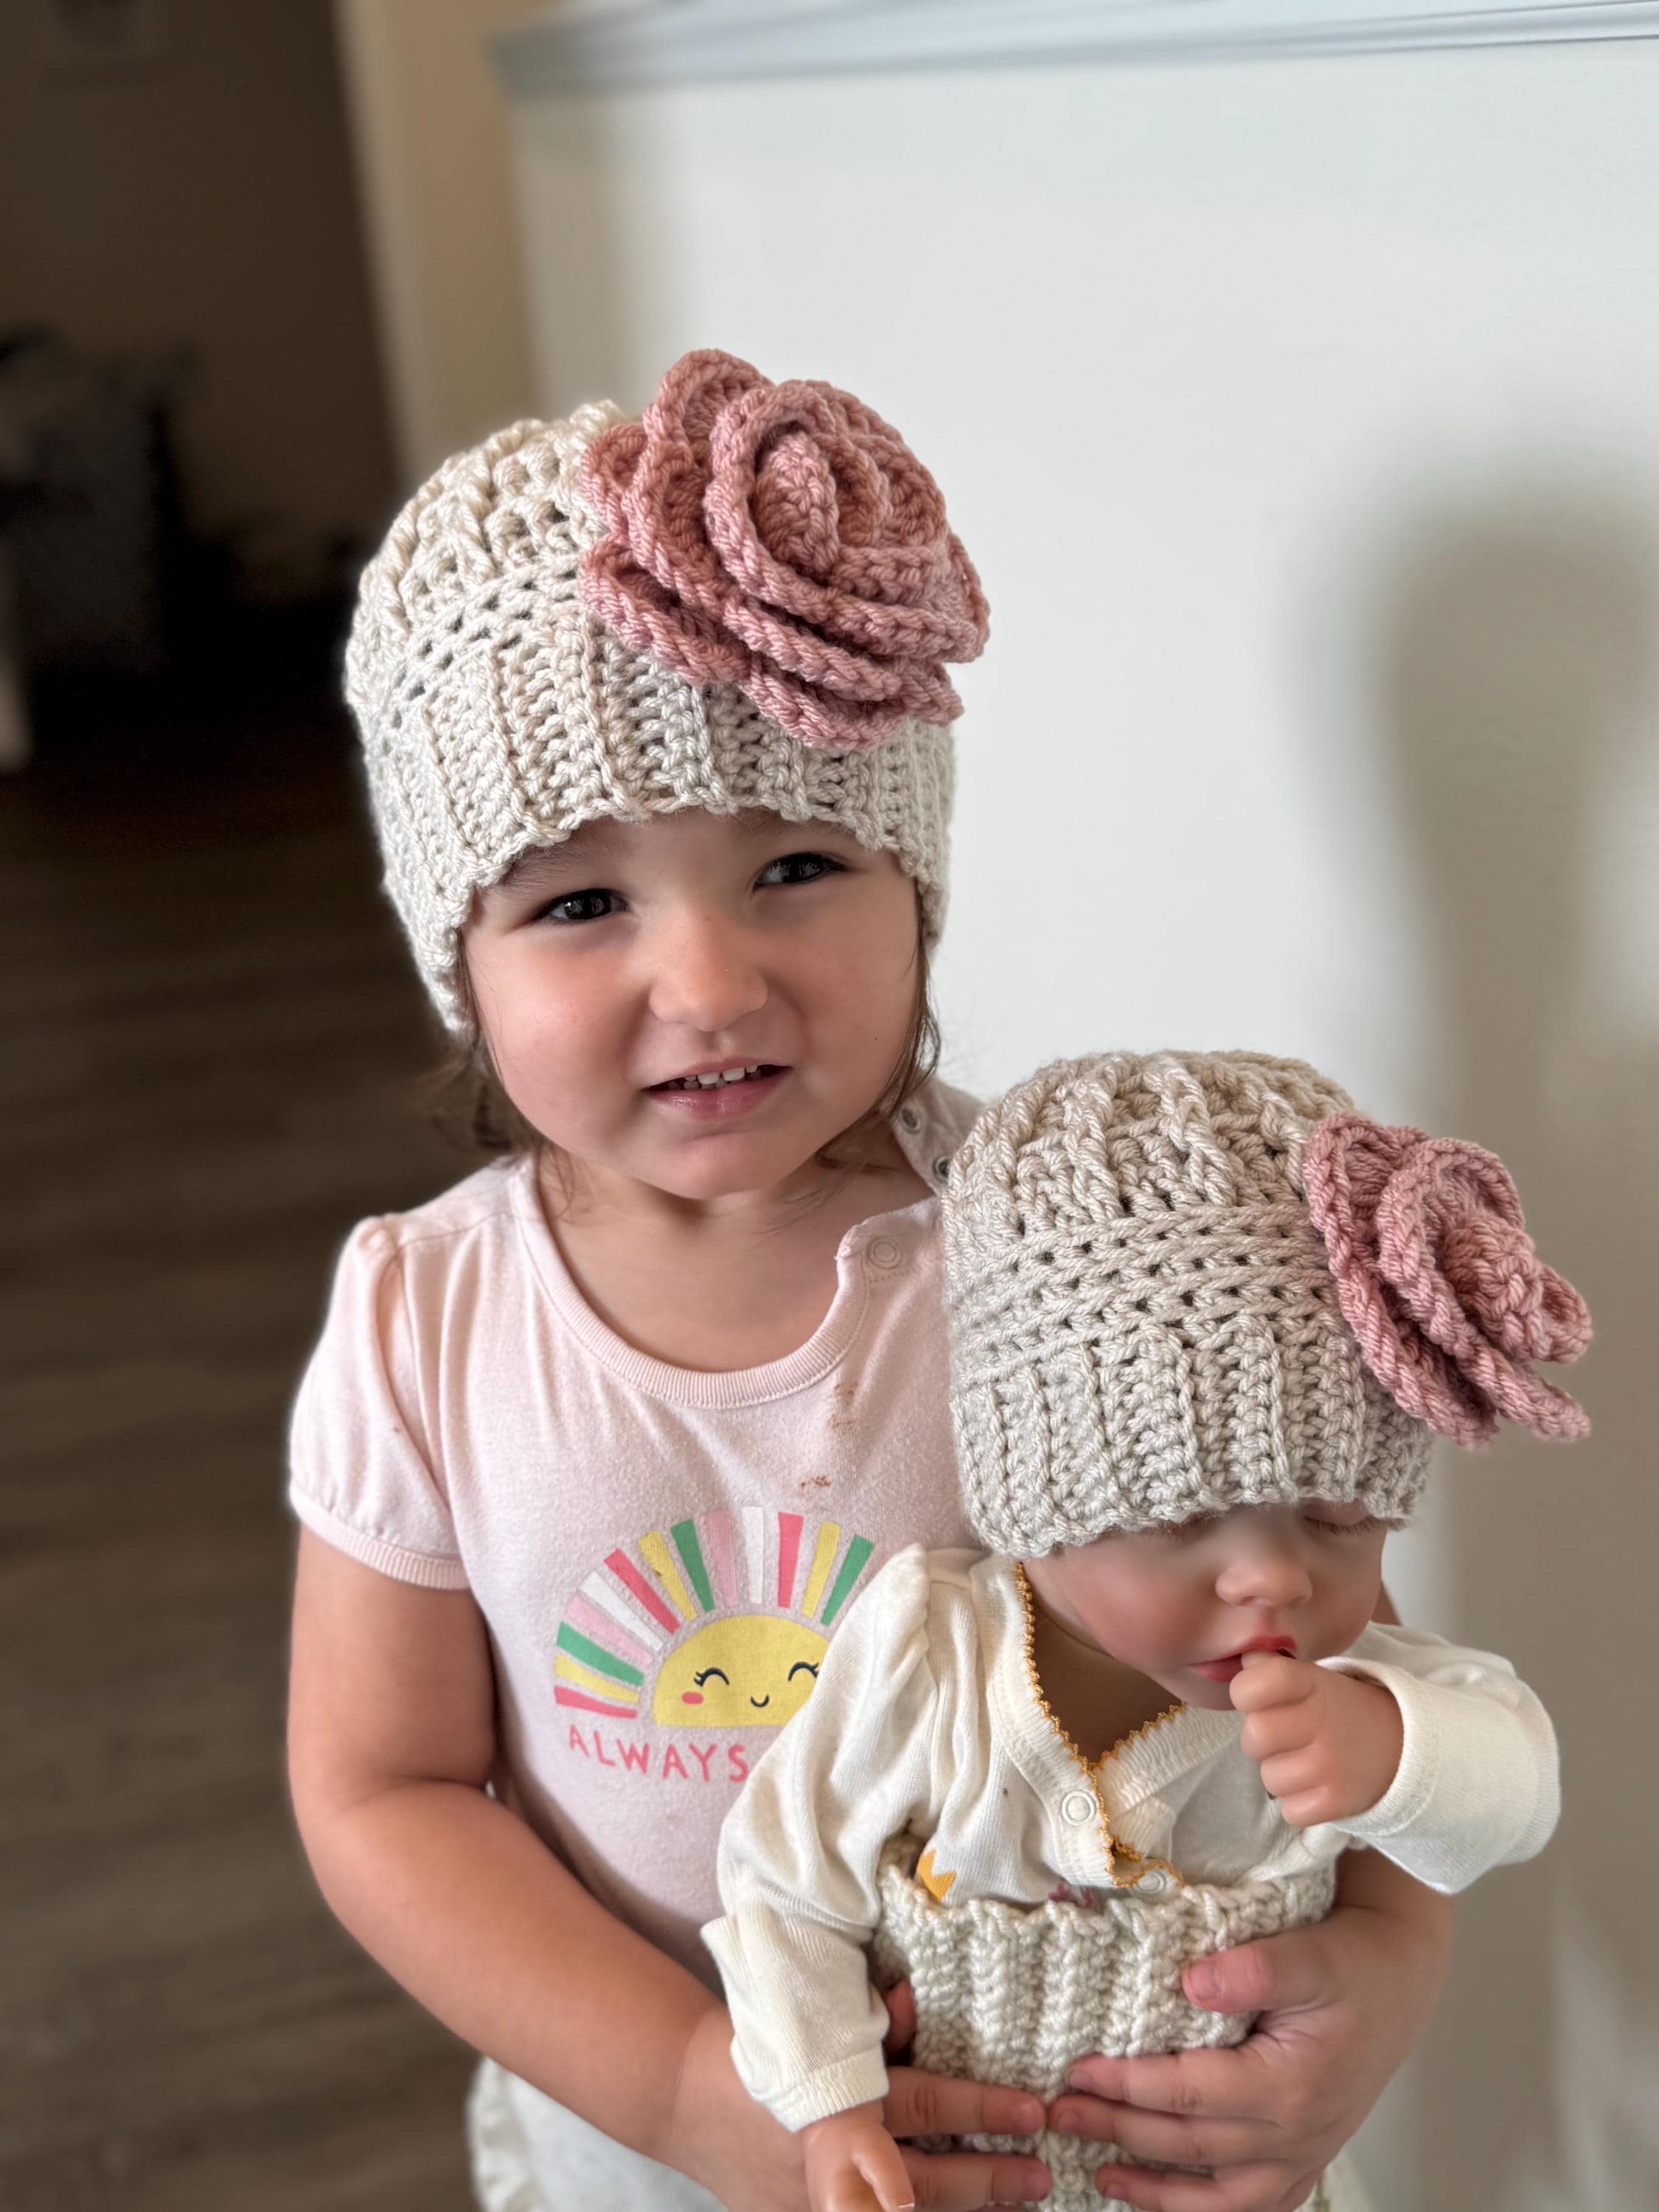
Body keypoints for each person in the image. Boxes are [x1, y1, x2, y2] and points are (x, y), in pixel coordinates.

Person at [285, 349, 1457, 2212]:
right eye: (581, 903)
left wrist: (1392, 1960)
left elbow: (1332, 1635)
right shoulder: (428, 1324)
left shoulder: (1081, 1255)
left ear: (919, 876)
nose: (714, 985)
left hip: (1104, 2124)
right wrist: (689, 2088)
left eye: (798, 863)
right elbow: (383, 1791)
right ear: (460, 950)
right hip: (653, 2153)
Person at [706, 1051, 1589, 2212]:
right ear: (1036, 1501)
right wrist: (828, 2106)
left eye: (1333, 1515)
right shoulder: (931, 1652)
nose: (1272, 1577)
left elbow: (1518, 1790)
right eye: (1178, 1517)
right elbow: (781, 1883)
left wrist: (1393, 1748)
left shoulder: (1351, 1683)